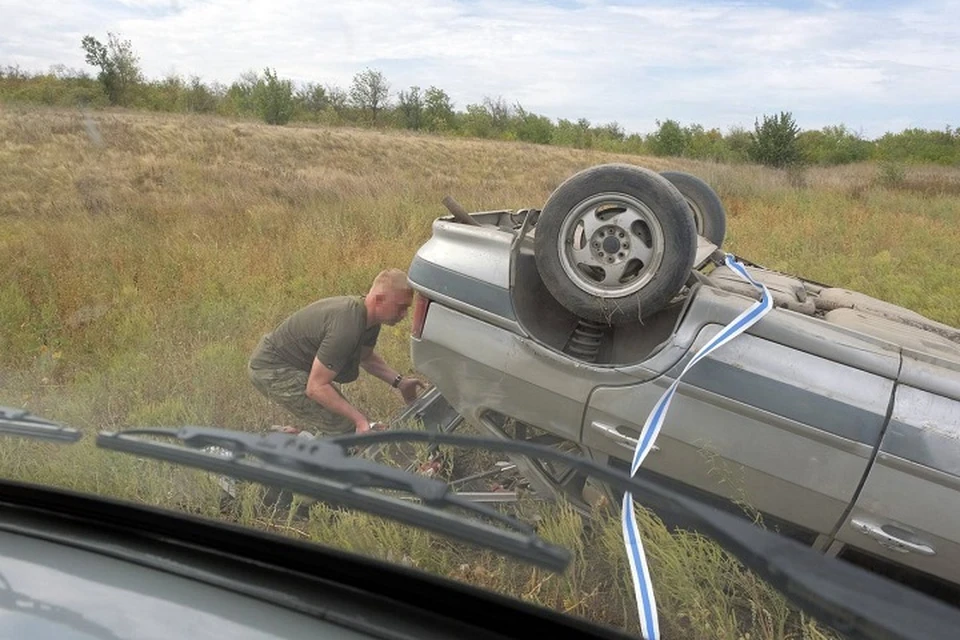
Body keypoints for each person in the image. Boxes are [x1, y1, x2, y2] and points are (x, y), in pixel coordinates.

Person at [248, 268, 426, 436]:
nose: (404, 315)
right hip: (272, 367)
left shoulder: (369, 320)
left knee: (345, 421)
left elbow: (367, 359)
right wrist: (360, 421)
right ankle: (281, 443)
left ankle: (293, 436)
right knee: (344, 429)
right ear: (379, 300)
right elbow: (316, 388)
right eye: (400, 307)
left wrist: (400, 382)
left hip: (295, 365)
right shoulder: (347, 325)